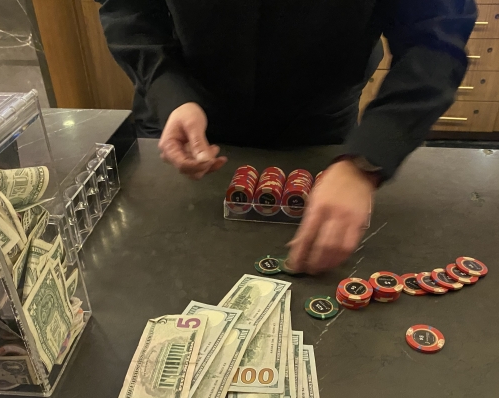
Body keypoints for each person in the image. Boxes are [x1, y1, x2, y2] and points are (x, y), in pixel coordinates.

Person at [98, 1, 477, 274]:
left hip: (319, 125)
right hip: (181, 113)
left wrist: (368, 159)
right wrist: (168, 90)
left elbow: (435, 37)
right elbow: (128, 8)